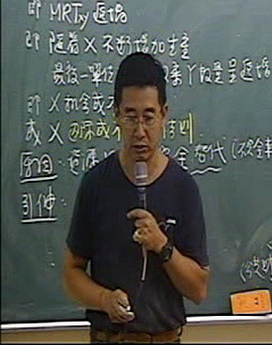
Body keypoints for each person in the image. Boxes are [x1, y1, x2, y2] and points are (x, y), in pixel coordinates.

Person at [63, 52, 210, 343]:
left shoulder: (183, 187)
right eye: (130, 117)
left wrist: (162, 246)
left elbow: (198, 290)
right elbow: (71, 272)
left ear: (164, 114)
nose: (140, 131)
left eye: (149, 117)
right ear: (117, 114)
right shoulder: (96, 183)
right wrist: (104, 299)